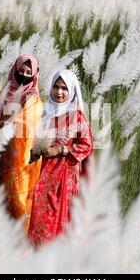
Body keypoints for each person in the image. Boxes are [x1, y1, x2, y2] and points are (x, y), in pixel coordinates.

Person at [27, 69, 94, 247]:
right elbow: (40, 142)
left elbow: (86, 146)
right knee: (41, 214)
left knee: (61, 217)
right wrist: (36, 153)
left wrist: (61, 150)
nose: (59, 92)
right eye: (56, 87)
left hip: (65, 177)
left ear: (72, 90)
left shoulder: (78, 117)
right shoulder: (47, 114)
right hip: (46, 174)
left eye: (64, 88)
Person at [0, 54, 43, 233]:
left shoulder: (33, 98)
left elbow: (26, 126)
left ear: (35, 75)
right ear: (14, 70)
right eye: (21, 70)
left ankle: (19, 244)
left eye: (29, 72)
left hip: (19, 159)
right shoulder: (6, 92)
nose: (24, 74)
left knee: (17, 200)